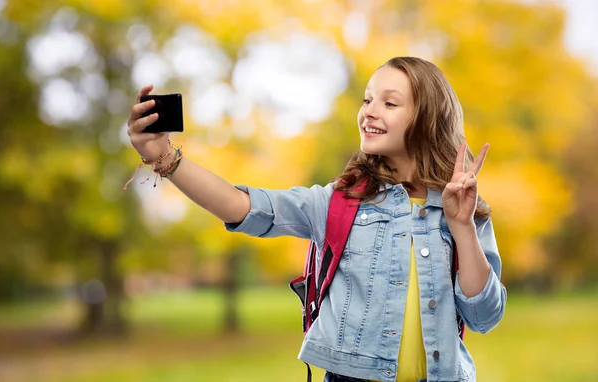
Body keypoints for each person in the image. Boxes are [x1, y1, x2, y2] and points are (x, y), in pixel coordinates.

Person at [126, 56, 507, 382]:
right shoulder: (339, 201)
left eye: (390, 104)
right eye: (367, 99)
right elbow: (241, 206)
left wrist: (461, 225)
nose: (369, 111)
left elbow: (483, 316)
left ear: (428, 118)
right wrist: (166, 158)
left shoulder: (463, 208)